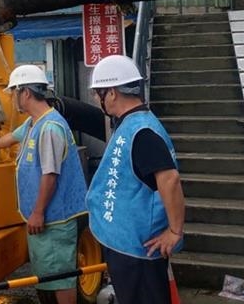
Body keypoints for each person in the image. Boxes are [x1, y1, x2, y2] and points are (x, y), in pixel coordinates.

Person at [0, 65, 88, 304]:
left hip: (55, 219)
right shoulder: (32, 123)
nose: (12, 98)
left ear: (25, 93)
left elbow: (50, 174)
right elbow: (9, 139)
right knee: (47, 275)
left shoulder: (49, 128)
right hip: (42, 218)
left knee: (61, 276)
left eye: (13, 92)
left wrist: (38, 212)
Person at [85, 55, 185, 304]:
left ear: (112, 93)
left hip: (138, 250)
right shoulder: (132, 125)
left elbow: (170, 179)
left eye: (99, 93)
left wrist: (175, 231)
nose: (97, 100)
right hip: (129, 244)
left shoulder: (142, 132)